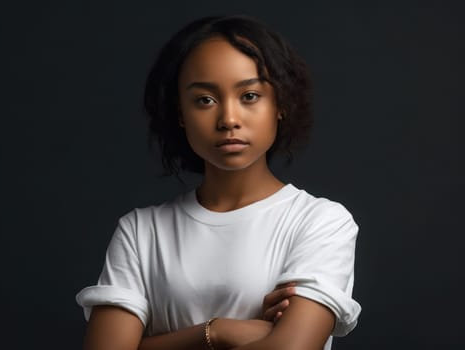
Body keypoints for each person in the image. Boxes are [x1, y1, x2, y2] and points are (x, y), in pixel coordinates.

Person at [76, 15, 361, 350]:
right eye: (204, 100)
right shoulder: (141, 232)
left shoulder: (321, 222)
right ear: (180, 113)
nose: (228, 119)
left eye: (250, 95)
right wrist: (218, 332)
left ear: (280, 104)